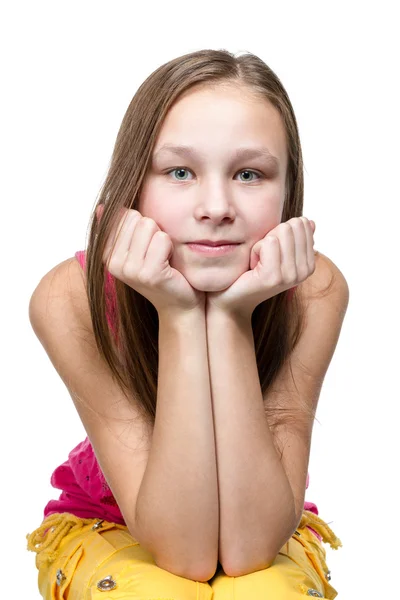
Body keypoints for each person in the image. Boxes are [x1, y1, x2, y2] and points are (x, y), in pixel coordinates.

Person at [26, 48, 349, 599]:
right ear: (134, 184)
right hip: (110, 525)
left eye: (249, 174)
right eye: (180, 172)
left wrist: (229, 316)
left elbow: (249, 550)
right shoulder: (68, 298)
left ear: (287, 192)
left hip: (265, 525)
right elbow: (184, 554)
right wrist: (178, 314)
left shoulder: (314, 290)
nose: (216, 206)